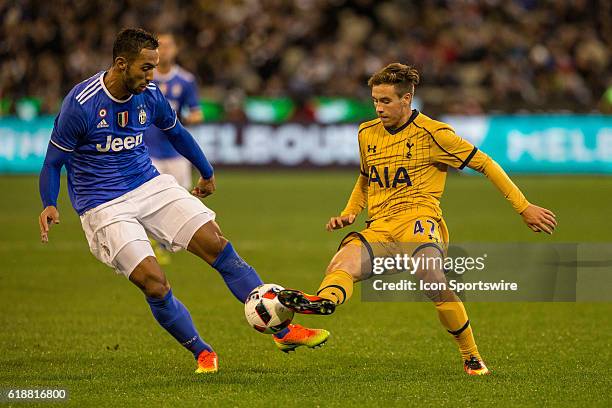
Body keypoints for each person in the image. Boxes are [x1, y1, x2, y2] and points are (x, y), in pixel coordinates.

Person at [38, 28, 329, 375]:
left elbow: (176, 132)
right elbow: (53, 162)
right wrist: (49, 202)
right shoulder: (81, 104)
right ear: (120, 64)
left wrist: (206, 171)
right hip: (103, 204)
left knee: (217, 245)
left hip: (148, 184)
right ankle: (202, 351)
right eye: (146, 68)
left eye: (155, 67)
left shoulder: (150, 95)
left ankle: (281, 330)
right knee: (155, 282)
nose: (152, 76)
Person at [278, 63, 557, 376]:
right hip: (379, 227)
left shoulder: (434, 134)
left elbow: (486, 164)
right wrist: (350, 212)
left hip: (419, 222)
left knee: (431, 276)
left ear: (406, 99)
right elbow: (365, 178)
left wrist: (523, 207)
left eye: (386, 101)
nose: (379, 108)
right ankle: (324, 301)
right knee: (341, 264)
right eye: (375, 100)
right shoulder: (366, 133)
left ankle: (471, 355)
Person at [143, 32, 203, 264]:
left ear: (176, 50)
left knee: (181, 198)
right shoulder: (145, 77)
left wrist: (180, 121)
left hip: (177, 152)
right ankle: (155, 244)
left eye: (169, 46)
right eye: (161, 47)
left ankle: (169, 240)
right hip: (148, 150)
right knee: (149, 197)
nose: (165, 51)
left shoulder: (186, 80)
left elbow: (196, 112)